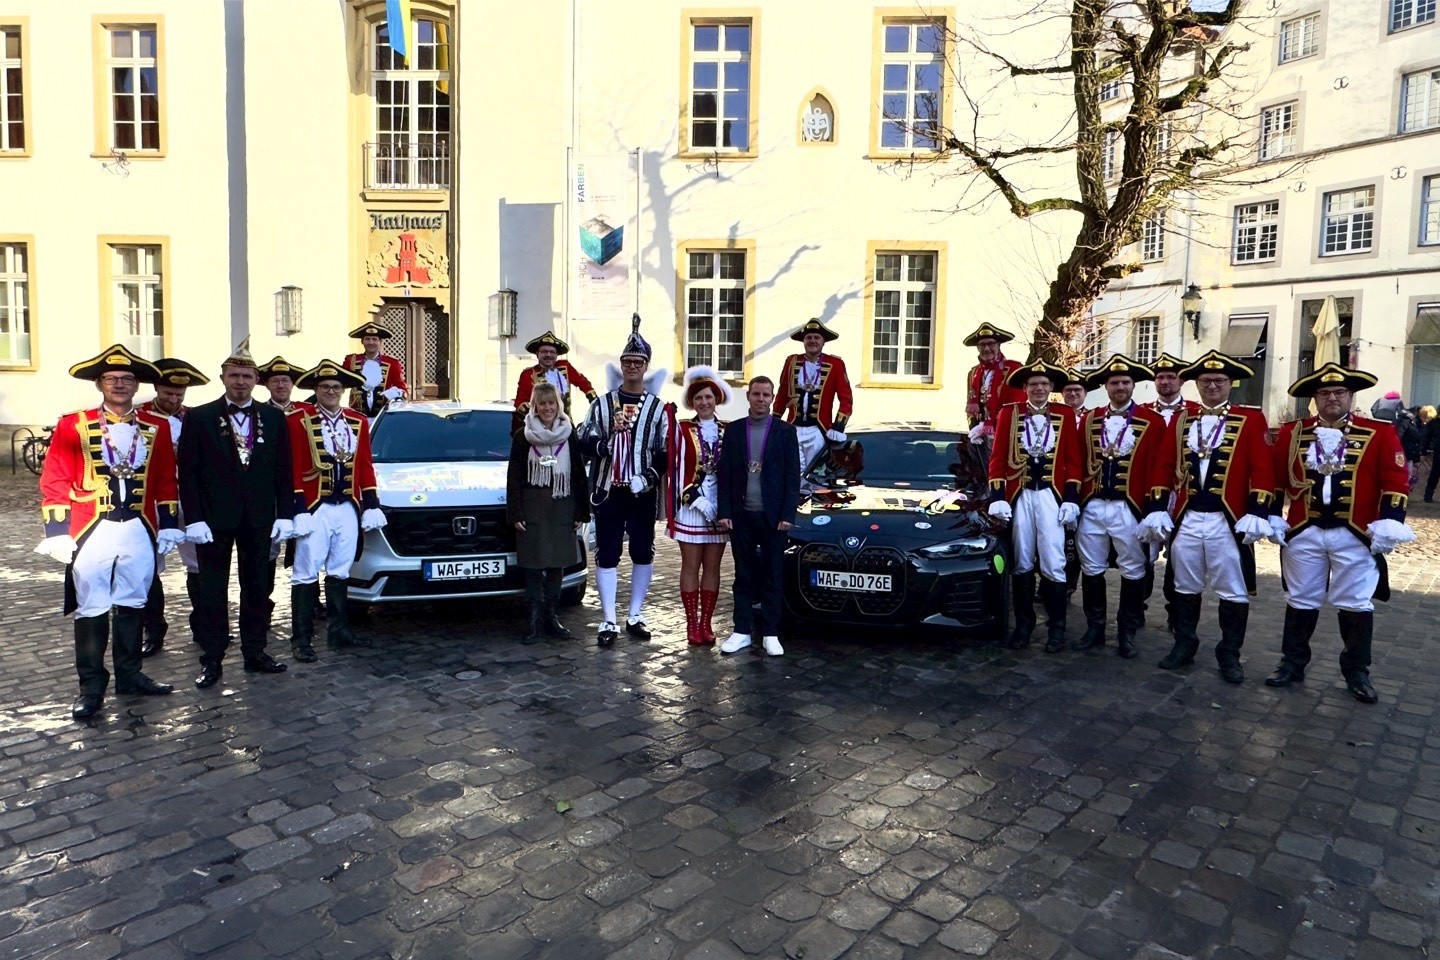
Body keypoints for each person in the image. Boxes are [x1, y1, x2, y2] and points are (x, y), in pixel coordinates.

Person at [36, 344, 184, 719]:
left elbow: (167, 479)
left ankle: (130, 675)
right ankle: (91, 687)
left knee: (133, 601)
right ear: (100, 384)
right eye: (112, 378)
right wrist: (56, 530)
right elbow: (56, 477)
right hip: (92, 527)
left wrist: (167, 524)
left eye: (127, 379)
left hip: (138, 525)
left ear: (137, 385)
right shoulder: (74, 423)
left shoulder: (157, 427)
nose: (120, 384)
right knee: (92, 606)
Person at [1267, 363, 1416, 703]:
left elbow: (1396, 481)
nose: (1331, 398)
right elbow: (1275, 480)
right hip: (1304, 530)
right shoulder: (1293, 434)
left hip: (1356, 532)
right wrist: (1271, 518)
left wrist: (1390, 522)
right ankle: (1292, 663)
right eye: (1323, 393)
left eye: (1339, 392)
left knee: (1355, 604)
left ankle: (1357, 672)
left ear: (1350, 396)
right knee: (1301, 600)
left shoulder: (1378, 432)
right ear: (1315, 398)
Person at [1143, 350, 1275, 684]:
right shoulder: (1183, 420)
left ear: (1231, 383)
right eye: (1205, 380)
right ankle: (1184, 644)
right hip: (1188, 517)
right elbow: (1163, 463)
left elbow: (1263, 468)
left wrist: (1259, 511)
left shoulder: (1250, 419)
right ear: (1197, 384)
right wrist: (1158, 506)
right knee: (1184, 585)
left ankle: (1229, 655)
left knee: (1232, 589)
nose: (1212, 385)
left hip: (1226, 518)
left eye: (1219, 380)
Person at [178, 343, 297, 688]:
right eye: (234, 375)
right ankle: (212, 658)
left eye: (247, 376)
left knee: (257, 587)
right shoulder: (199, 417)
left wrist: (285, 513)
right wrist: (195, 517)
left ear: (257, 380)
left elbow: (283, 470)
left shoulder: (274, 418)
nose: (241, 382)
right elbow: (188, 472)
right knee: (212, 590)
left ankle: (255, 651)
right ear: (223, 378)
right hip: (214, 519)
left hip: (259, 517)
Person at [577, 315, 670, 647]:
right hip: (608, 490)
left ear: (645, 367)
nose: (632, 367)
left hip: (640, 491)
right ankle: (608, 619)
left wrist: (647, 476)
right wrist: (604, 445)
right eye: (628, 361)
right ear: (621, 365)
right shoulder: (601, 405)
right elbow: (582, 439)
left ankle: (635, 614)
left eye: (638, 362)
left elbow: (664, 451)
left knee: (643, 551)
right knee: (607, 553)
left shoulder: (657, 409)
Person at [1071, 356, 1172, 658]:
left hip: (1129, 507)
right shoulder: (1091, 420)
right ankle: (1095, 629)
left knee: (1133, 568)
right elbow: (1076, 460)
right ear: (1106, 386)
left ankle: (1126, 633)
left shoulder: (1153, 422)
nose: (1120, 387)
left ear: (1133, 386)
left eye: (1126, 382)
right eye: (1114, 382)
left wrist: (1156, 506)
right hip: (1093, 505)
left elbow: (1160, 466)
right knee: (1091, 567)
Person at [287, 360, 388, 659]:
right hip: (315, 507)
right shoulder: (298, 420)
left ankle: (339, 633)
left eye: (336, 387)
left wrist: (370, 503)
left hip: (347, 506)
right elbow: (291, 466)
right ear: (315, 390)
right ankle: (301, 640)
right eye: (324, 387)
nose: (331, 391)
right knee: (305, 573)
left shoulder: (358, 421)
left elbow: (365, 466)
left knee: (340, 571)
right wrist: (297, 507)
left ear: (343, 391)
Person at [987, 360, 1083, 652]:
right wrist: (998, 496)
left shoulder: (1065, 414)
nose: (1039, 389)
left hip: (1050, 498)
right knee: (1023, 559)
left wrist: (1070, 498)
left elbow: (1072, 460)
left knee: (1054, 561)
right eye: (1033, 385)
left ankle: (1056, 631)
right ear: (1026, 389)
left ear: (1052, 388)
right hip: (1021, 495)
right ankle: (1024, 627)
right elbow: (998, 457)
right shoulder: (1009, 413)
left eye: (1044, 384)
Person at [717, 376, 801, 656]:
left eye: (766, 394)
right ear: (749, 396)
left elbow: (792, 476)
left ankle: (770, 633)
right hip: (741, 514)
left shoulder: (785, 432)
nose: (761, 399)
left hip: (774, 516)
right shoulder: (734, 430)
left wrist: (788, 512)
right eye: (756, 394)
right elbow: (725, 474)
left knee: (772, 575)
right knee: (743, 574)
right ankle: (741, 630)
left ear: (772, 398)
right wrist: (725, 511)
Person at [137, 357, 210, 658]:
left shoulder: (194, 418)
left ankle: (203, 626)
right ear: (156, 388)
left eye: (179, 395)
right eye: (168, 393)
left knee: (199, 565)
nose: (174, 399)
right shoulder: (139, 417)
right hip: (153, 500)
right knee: (149, 567)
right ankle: (154, 629)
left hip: (189, 498)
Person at [507, 381, 590, 643]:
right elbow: (514, 477)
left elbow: (578, 474)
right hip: (533, 505)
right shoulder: (523, 435)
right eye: (541, 403)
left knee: (557, 563)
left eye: (551, 403)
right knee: (533, 564)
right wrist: (516, 512)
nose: (547, 408)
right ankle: (533, 620)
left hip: (562, 503)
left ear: (559, 405)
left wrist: (581, 511)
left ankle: (551, 617)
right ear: (534, 406)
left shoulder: (569, 433)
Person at [667, 367, 731, 645]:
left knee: (714, 567)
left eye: (708, 397)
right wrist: (697, 499)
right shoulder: (681, 429)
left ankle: (707, 624)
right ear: (692, 403)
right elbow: (675, 468)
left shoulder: (729, 430)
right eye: (698, 398)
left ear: (716, 399)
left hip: (721, 508)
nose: (704, 402)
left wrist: (724, 506)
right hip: (692, 507)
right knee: (691, 566)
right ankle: (692, 625)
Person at [1141, 352, 1199, 631]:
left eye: (1170, 377)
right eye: (1160, 377)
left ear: (1181, 380)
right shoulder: (1141, 411)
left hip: (1181, 491)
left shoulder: (1197, 412)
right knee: (1144, 551)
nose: (1165, 382)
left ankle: (1175, 612)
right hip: (1147, 491)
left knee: (1178, 553)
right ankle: (1137, 606)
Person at [258, 355, 317, 632]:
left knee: (307, 546)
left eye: (285, 380)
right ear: (267, 385)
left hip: (305, 488)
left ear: (292, 384)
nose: (281, 384)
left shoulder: (307, 412)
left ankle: (311, 602)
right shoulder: (257, 412)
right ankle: (263, 604)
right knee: (267, 549)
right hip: (268, 490)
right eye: (275, 380)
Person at [773, 318, 853, 477]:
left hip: (818, 430)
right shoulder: (792, 361)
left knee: (815, 474)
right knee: (790, 471)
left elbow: (846, 399)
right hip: (793, 428)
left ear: (823, 342)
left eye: (817, 338)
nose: (812, 341)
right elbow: (782, 394)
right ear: (803, 341)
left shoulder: (835, 364)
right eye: (809, 337)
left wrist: (837, 426)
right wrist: (775, 421)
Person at [512, 330, 598, 430]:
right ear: (537, 354)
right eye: (544, 351)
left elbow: (583, 383)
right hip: (539, 427)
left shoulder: (565, 367)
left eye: (552, 352)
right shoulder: (528, 374)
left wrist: (595, 402)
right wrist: (531, 415)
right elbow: (520, 401)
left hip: (565, 424)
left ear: (557, 355)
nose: (548, 355)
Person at [963, 323, 1025, 459]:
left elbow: (1016, 404)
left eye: (991, 344)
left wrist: (990, 426)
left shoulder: (1014, 369)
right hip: (979, 434)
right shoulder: (973, 372)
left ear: (998, 345)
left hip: (1005, 434)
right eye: (982, 345)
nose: (986, 348)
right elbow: (970, 405)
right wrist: (974, 426)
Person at [1058, 367, 1088, 593]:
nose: (1073, 394)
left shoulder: (1092, 419)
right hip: (1057, 485)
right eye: (1068, 390)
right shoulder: (1052, 417)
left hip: (1084, 485)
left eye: (1077, 390)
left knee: (1076, 537)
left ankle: (1070, 581)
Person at [343, 320, 407, 418]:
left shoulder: (392, 363)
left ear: (380, 342)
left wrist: (396, 393)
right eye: (367, 339)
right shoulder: (351, 361)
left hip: (383, 417)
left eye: (374, 339)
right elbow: (339, 382)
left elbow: (403, 390)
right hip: (356, 416)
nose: (371, 342)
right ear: (362, 341)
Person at [1421, 405, 1440, 502]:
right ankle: (1428, 495)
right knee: (1434, 474)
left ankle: (1428, 494)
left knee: (1434, 474)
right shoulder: (1433, 423)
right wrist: (1423, 451)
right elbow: (1426, 438)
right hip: (1438, 451)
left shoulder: (1433, 423)